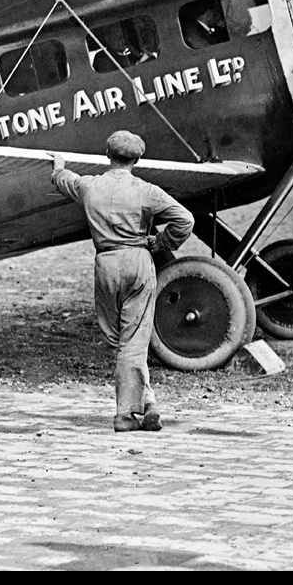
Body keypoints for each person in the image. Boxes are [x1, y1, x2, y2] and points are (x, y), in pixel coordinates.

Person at [51, 131, 193, 433]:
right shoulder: (147, 191)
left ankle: (148, 402)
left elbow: (64, 179)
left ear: (107, 154)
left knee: (120, 340)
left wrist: (58, 165)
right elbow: (185, 220)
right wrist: (160, 242)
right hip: (137, 262)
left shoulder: (89, 186)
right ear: (137, 159)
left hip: (105, 264)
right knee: (133, 341)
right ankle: (126, 415)